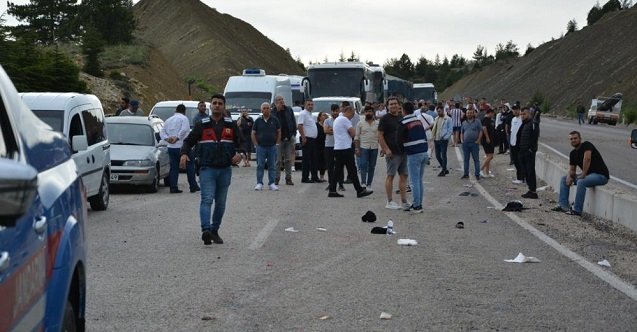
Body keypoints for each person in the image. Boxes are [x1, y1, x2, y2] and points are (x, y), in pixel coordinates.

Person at [180, 94, 242, 246]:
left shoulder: (231, 125)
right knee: (207, 199)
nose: (217, 105)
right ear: (210, 106)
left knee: (220, 203)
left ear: (224, 106)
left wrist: (240, 153)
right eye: (214, 103)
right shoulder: (202, 124)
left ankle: (214, 230)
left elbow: (242, 142)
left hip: (225, 169)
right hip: (207, 168)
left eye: (220, 103)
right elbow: (188, 141)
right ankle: (206, 230)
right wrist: (183, 154)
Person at [552, 131, 609, 216]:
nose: (573, 140)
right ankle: (563, 205)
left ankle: (577, 210)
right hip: (588, 176)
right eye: (571, 139)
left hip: (601, 175)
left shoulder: (586, 145)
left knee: (581, 182)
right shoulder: (573, 153)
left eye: (575, 138)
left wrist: (583, 174)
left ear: (580, 139)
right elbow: (572, 170)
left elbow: (587, 159)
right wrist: (569, 176)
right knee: (564, 179)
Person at [327, 105, 373, 198]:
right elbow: (353, 133)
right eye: (352, 114)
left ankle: (332, 190)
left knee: (338, 170)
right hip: (345, 148)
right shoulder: (344, 119)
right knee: (352, 170)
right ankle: (359, 190)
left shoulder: (337, 119)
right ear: (348, 112)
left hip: (338, 148)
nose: (352, 116)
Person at [161, 104, 199, 193]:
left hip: (171, 147)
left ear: (176, 110)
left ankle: (173, 187)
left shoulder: (168, 120)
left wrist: (167, 138)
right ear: (184, 111)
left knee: (174, 168)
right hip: (183, 147)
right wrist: (177, 138)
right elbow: (184, 130)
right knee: (190, 166)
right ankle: (193, 186)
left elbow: (162, 132)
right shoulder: (184, 119)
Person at [378, 97, 409, 210]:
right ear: (387, 106)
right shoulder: (385, 119)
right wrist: (385, 149)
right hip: (392, 153)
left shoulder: (402, 117)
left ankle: (404, 201)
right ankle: (389, 201)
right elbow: (380, 135)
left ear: (399, 105)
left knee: (404, 176)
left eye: (395, 103)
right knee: (390, 176)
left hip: (403, 152)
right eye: (391, 104)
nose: (393, 106)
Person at [398, 102, 428, 213]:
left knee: (414, 181)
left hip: (413, 154)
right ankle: (419, 203)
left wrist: (400, 151)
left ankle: (416, 205)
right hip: (423, 152)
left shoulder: (403, 122)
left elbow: (399, 139)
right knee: (419, 180)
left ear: (403, 110)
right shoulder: (418, 121)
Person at [252, 102, 281, 191]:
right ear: (261, 110)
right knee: (260, 165)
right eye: (264, 108)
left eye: (268, 108)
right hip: (261, 147)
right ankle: (259, 183)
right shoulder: (258, 121)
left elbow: (279, 131)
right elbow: (253, 133)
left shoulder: (275, 120)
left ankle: (271, 183)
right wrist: (256, 144)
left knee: (272, 165)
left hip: (272, 146)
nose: (266, 109)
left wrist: (277, 143)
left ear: (270, 109)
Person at [271, 95, 296, 185]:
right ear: (275, 102)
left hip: (289, 138)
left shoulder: (289, 110)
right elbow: (272, 123)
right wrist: (277, 110)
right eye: (279, 100)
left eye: (282, 99)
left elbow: (293, 122)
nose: (281, 101)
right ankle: (276, 178)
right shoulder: (273, 112)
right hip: (278, 139)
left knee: (288, 159)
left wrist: (293, 134)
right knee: (277, 160)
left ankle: (288, 178)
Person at [516, 107, 540, 199]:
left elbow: (535, 137)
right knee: (525, 171)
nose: (522, 116)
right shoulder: (524, 124)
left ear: (529, 114)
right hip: (522, 151)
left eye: (524, 114)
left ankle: (533, 191)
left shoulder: (532, 124)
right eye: (521, 114)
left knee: (530, 171)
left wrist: (531, 149)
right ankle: (530, 189)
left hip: (528, 152)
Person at [355, 105, 379, 189]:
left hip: (374, 148)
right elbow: (357, 137)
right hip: (363, 147)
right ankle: (363, 183)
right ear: (364, 113)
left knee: (372, 166)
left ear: (373, 113)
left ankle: (369, 184)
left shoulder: (377, 123)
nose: (368, 113)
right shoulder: (360, 123)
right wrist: (357, 148)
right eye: (366, 111)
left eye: (370, 111)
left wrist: (383, 149)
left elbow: (380, 137)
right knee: (363, 165)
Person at [297, 99, 321, 183]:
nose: (310, 106)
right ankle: (305, 177)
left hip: (312, 139)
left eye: (311, 104)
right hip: (306, 138)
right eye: (308, 104)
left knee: (314, 158)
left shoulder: (310, 114)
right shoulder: (303, 113)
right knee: (306, 159)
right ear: (305, 105)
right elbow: (300, 126)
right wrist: (303, 137)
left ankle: (314, 176)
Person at [324, 104, 344, 191]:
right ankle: (331, 183)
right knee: (330, 166)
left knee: (340, 165)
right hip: (329, 145)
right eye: (333, 111)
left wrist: (332, 130)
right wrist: (335, 130)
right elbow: (326, 131)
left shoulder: (342, 120)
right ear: (331, 111)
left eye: (337, 111)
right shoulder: (327, 121)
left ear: (339, 111)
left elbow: (342, 131)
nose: (335, 112)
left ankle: (341, 184)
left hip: (339, 145)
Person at [460, 107, 482, 180]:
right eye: (468, 113)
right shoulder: (463, 122)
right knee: (466, 160)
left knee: (476, 160)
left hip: (474, 143)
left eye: (471, 113)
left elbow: (480, 131)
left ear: (473, 113)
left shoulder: (477, 122)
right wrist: (462, 140)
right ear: (466, 114)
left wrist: (478, 140)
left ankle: (477, 175)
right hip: (465, 144)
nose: (469, 114)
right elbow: (462, 132)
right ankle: (466, 174)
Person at [431, 105, 453, 176]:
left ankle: (443, 170)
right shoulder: (436, 118)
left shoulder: (448, 119)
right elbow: (435, 128)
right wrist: (433, 137)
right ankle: (445, 168)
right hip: (436, 139)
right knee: (437, 155)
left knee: (443, 154)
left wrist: (445, 137)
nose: (438, 112)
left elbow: (450, 130)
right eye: (437, 111)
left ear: (443, 110)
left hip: (443, 140)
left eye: (439, 111)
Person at [509, 105, 525, 184]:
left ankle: (521, 178)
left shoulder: (521, 119)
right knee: (515, 161)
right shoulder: (513, 119)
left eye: (517, 110)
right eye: (514, 110)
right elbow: (512, 131)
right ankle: (520, 177)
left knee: (520, 161)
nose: (515, 111)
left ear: (519, 110)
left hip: (519, 144)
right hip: (513, 143)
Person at [480, 108, 495, 178]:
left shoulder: (489, 120)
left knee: (488, 156)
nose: (493, 115)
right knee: (490, 156)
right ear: (490, 113)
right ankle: (480, 169)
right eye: (492, 113)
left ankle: (487, 173)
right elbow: (484, 128)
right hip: (487, 140)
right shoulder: (485, 120)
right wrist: (487, 137)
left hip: (490, 139)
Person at [316, 112, 327, 182]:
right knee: (317, 161)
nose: (325, 116)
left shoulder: (327, 125)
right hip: (317, 146)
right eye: (323, 115)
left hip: (325, 145)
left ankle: (322, 176)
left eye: (325, 115)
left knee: (323, 162)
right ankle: (315, 176)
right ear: (319, 117)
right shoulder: (316, 125)